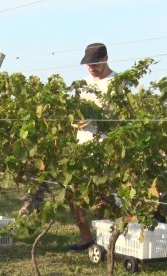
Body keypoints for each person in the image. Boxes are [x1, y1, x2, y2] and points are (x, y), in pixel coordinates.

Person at [68, 42, 116, 251]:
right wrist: (74, 120)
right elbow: (73, 111)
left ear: (105, 58)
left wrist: (97, 118)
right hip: (82, 148)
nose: (91, 68)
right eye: (88, 64)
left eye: (94, 64)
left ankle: (107, 239)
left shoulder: (117, 84)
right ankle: (86, 237)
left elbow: (119, 119)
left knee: (104, 196)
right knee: (72, 194)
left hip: (105, 148)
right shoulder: (83, 84)